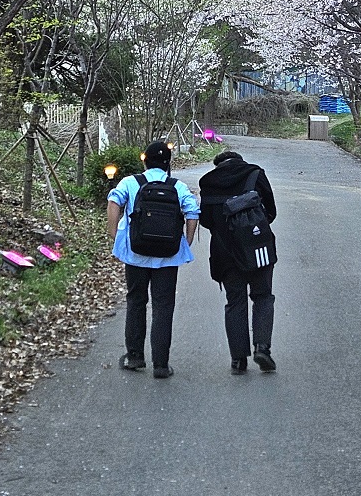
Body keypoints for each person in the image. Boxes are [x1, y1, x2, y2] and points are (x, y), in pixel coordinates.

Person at [107, 139, 199, 378]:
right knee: (163, 306)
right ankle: (161, 364)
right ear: (168, 164)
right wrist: (186, 241)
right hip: (167, 257)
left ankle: (135, 357)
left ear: (145, 161)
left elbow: (114, 201)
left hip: (135, 253)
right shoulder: (177, 186)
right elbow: (192, 212)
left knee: (136, 301)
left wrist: (115, 234)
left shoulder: (130, 182)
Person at [199, 149, 277, 374]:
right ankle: (262, 348)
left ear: (218, 165)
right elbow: (271, 211)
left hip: (225, 251)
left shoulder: (208, 182)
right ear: (239, 161)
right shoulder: (255, 174)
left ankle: (238, 360)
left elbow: (205, 220)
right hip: (257, 247)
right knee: (262, 296)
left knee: (235, 302)